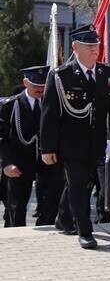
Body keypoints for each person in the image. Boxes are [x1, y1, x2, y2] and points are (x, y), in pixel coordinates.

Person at [40, 25, 110, 249]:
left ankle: (64, 218)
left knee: (82, 183)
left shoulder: (109, 75)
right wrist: (47, 148)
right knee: (78, 184)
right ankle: (85, 231)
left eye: (96, 46)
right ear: (75, 47)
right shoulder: (61, 76)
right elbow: (49, 115)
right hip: (70, 144)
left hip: (96, 143)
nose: (94, 50)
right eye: (89, 46)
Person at [0, 66, 64, 227]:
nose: (40, 89)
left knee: (52, 196)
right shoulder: (10, 106)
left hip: (47, 160)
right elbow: (2, 138)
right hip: (19, 161)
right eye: (36, 85)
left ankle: (45, 224)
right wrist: (6, 164)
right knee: (16, 204)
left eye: (43, 85)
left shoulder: (53, 104)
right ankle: (17, 234)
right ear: (25, 83)